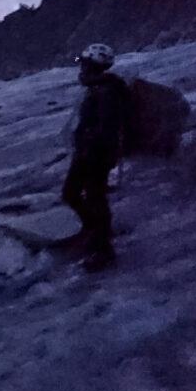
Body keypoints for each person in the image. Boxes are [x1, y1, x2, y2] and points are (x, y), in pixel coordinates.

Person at [62, 43, 130, 272]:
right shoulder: (99, 88)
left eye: (83, 64)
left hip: (96, 154)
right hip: (88, 152)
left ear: (92, 66)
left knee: (94, 197)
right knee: (75, 194)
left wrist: (92, 149)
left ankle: (103, 249)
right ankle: (95, 230)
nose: (80, 69)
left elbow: (105, 129)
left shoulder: (106, 92)